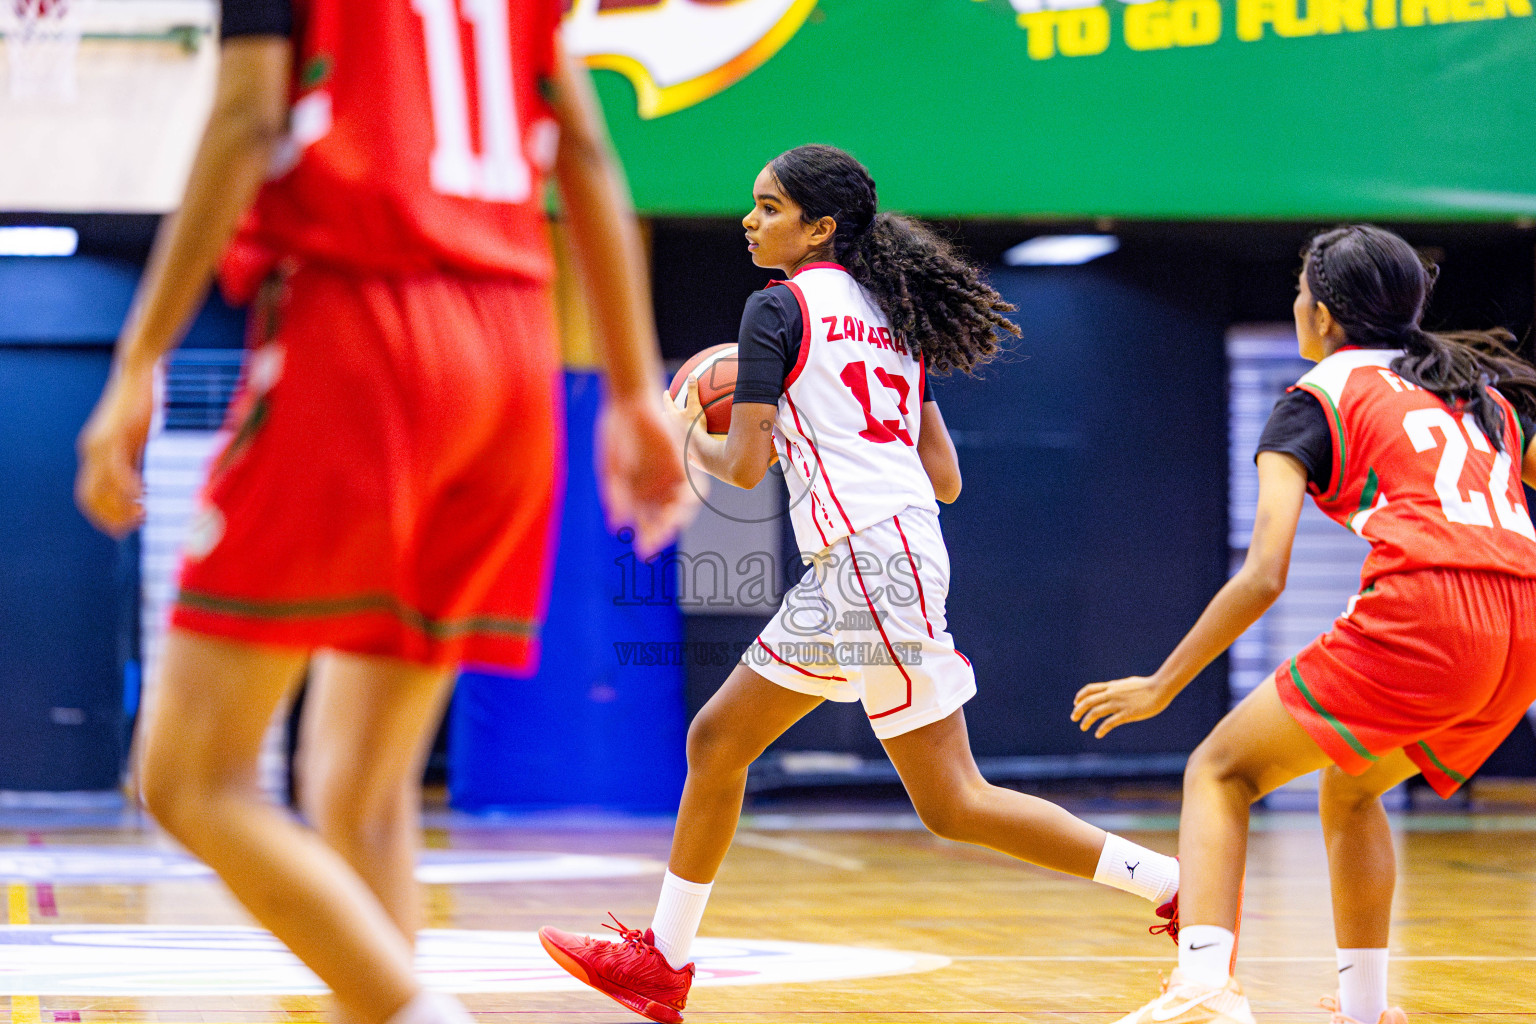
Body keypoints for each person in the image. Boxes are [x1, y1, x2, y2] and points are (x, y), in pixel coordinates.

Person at [73, 1, 689, 1023]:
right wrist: (631, 388)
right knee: (362, 789)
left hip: (358, 324)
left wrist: (140, 360)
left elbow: (246, 120)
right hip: (509, 350)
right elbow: (583, 148)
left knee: (189, 773)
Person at [538, 144, 1185, 1024]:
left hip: (864, 560)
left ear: (819, 227)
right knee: (954, 802)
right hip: (913, 547)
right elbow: (947, 476)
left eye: (767, 207)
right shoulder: (895, 318)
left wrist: (684, 419)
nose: (748, 220)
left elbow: (743, 463)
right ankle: (1176, 887)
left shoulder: (778, 311)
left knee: (717, 740)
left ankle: (663, 962)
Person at [1072, 225, 1536, 1024]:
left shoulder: (1315, 397)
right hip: (1522, 623)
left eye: (1299, 292)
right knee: (1352, 789)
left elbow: (1264, 574)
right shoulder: (1479, 392)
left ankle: (1204, 990)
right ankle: (1364, 1007)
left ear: (1321, 315)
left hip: (1428, 608)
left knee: (1220, 770)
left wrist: (1161, 683)